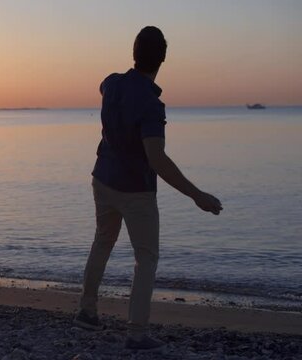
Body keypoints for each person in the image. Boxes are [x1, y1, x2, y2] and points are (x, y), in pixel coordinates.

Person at [74, 26, 223, 350]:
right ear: (162, 60)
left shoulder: (112, 83)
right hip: (135, 190)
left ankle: (87, 312)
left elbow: (103, 86)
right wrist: (197, 195)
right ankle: (137, 333)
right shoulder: (152, 106)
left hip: (103, 179)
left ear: (134, 52)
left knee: (103, 242)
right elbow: (157, 159)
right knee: (146, 258)